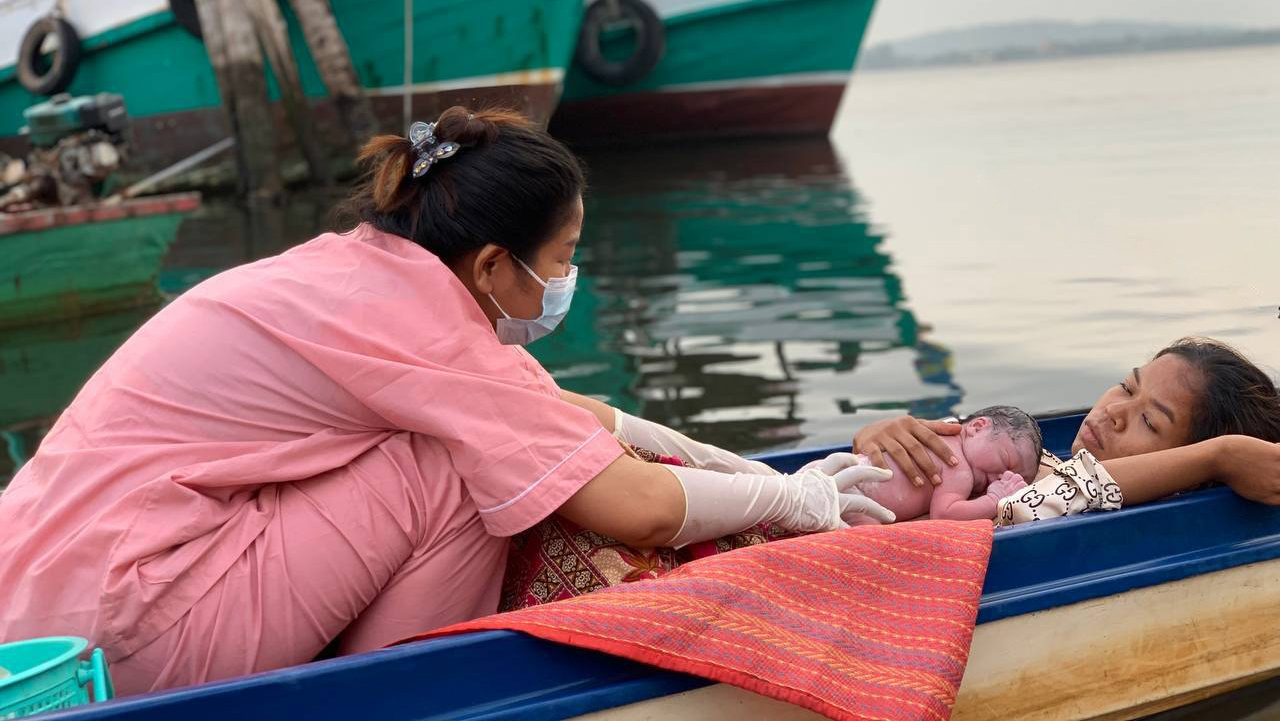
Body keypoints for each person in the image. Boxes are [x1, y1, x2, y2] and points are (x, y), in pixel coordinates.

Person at [0, 107, 894, 695]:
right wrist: (794, 498)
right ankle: (402, 696)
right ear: (494, 264)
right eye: (561, 255)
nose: (564, 279)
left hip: (38, 616)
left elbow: (572, 414)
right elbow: (644, 507)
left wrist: (750, 468)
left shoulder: (354, 275)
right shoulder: (427, 322)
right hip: (122, 637)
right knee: (458, 469)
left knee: (482, 444)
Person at [848, 338, 1280, 524]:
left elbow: (1087, 487)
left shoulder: (1084, 498)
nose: (1115, 410)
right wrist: (880, 438)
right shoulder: (1044, 458)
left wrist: (1221, 455)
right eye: (1127, 386)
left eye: (1149, 421)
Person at [853, 405, 1041, 523]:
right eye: (1006, 462)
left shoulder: (933, 431)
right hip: (859, 499)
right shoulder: (959, 467)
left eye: (1013, 480)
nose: (1001, 479)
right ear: (977, 426)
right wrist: (995, 499)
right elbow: (944, 515)